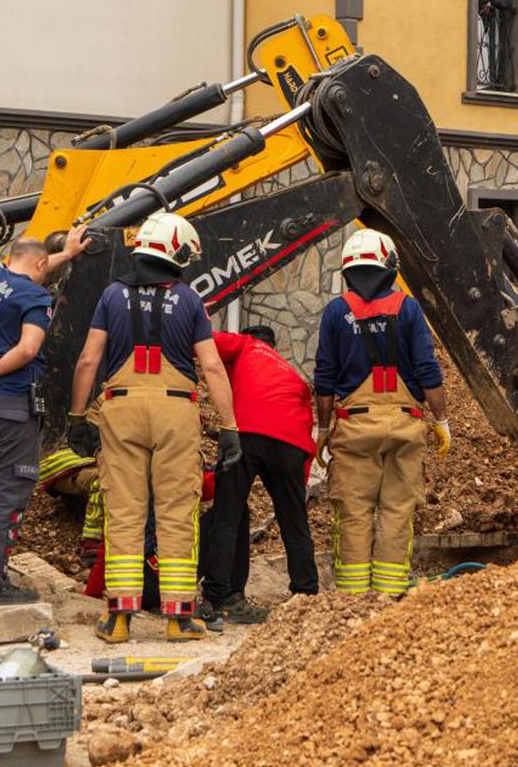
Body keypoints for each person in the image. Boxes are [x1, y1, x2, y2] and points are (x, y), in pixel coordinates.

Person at [67, 211, 240, 643]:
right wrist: (231, 428)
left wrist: (75, 416)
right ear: (176, 252)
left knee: (124, 512)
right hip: (176, 412)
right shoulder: (189, 300)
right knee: (177, 513)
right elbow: (213, 367)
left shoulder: (111, 296)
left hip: (120, 409)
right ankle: (179, 617)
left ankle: (119, 617)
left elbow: (88, 359)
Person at [0, 228, 89, 605]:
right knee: (8, 496)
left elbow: (31, 263)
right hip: (11, 404)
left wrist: (67, 254)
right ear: (41, 265)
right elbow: (29, 349)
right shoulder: (35, 296)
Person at [313, 228, 449, 596]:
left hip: (354, 426)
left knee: (354, 512)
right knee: (397, 510)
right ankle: (389, 597)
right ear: (389, 265)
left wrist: (322, 430)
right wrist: (442, 420)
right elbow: (427, 369)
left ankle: (353, 600)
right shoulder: (408, 308)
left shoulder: (337, 311)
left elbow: (324, 377)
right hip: (405, 424)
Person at [198, 324, 318, 630]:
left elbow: (202, 338)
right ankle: (306, 595)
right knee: (294, 520)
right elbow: (307, 428)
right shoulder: (291, 374)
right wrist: (299, 482)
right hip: (291, 444)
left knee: (228, 515)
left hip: (247, 434)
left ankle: (216, 600)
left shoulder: (244, 346)